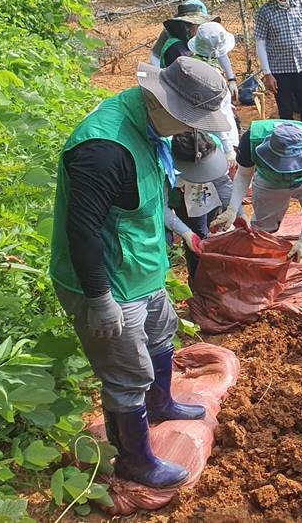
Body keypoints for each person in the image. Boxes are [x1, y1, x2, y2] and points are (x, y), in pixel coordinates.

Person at [50, 57, 235, 488]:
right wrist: (98, 298)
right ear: (164, 103)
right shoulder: (103, 149)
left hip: (143, 268)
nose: (192, 129)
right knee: (126, 372)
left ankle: (161, 404)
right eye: (190, 120)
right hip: (110, 280)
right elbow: (82, 231)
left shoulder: (153, 130)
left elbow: (150, 203)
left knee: (160, 336)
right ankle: (134, 461)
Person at [211, 120, 302, 295]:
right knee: (263, 227)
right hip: (270, 181)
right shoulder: (251, 140)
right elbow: (244, 174)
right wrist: (232, 209)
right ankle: (264, 275)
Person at [164, 130, 234, 280]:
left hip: (206, 194)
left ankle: (215, 279)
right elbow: (160, 207)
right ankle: (199, 284)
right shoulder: (162, 161)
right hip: (178, 194)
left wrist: (235, 210)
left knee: (213, 229)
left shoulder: (211, 145)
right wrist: (185, 232)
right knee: (195, 239)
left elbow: (222, 182)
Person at [148, 0, 217, 67]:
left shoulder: (191, 37)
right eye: (199, 25)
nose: (201, 28)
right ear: (187, 26)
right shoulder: (176, 47)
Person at [189, 21, 241, 105]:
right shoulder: (213, 73)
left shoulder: (191, 62)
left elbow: (221, 55)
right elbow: (220, 103)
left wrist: (231, 80)